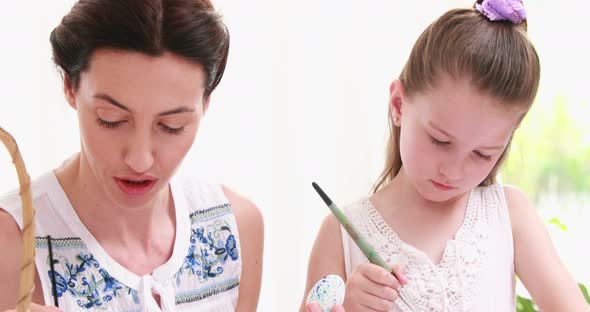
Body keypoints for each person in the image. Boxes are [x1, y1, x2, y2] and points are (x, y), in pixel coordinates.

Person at [301, 0, 589, 311]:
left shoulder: (510, 216)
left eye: (482, 154)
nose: (453, 171)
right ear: (399, 105)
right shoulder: (339, 235)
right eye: (440, 141)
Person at [0, 0, 263, 311]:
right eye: (111, 119)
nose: (140, 160)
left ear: (205, 101)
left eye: (171, 126)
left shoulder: (234, 227)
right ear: (70, 87)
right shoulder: (12, 240)